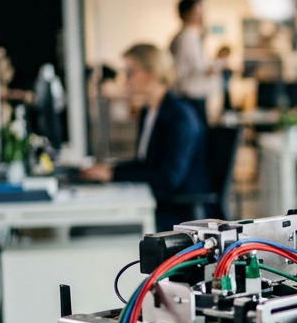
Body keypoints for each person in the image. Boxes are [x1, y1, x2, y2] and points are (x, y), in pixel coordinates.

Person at [82, 44, 209, 232]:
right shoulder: (148, 112)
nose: (125, 79)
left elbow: (168, 178)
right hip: (158, 202)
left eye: (130, 72)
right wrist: (110, 170)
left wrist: (114, 174)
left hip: (177, 214)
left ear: (153, 74)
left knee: (93, 229)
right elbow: (147, 164)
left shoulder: (179, 117)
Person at [168, 0, 217, 124]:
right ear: (188, 13)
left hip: (193, 96)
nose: (201, 15)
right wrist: (206, 71)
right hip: (189, 97)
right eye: (198, 11)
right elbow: (178, 70)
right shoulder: (185, 38)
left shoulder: (192, 36)